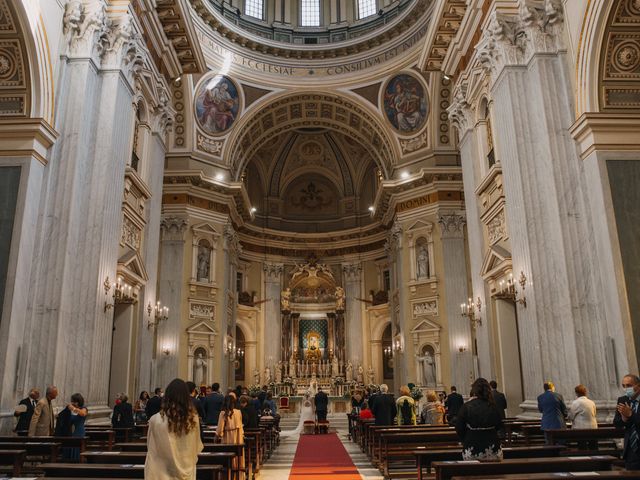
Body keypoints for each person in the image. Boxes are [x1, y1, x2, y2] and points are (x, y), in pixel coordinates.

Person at [145, 378, 203, 480]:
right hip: (187, 472)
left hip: (162, 472)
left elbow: (151, 447)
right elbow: (196, 447)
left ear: (167, 396)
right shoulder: (193, 420)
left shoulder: (155, 420)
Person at [455, 378, 503, 460]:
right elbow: (499, 425)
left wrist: (466, 438)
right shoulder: (493, 406)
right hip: (492, 446)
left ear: (474, 390)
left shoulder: (467, 406)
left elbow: (459, 428)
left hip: (472, 446)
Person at [614, 373, 640, 470]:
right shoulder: (622, 400)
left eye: (629, 385)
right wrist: (624, 419)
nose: (626, 389)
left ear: (638, 386)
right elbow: (616, 423)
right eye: (623, 386)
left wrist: (630, 415)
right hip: (631, 449)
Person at [55, 393, 88, 461]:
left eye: (74, 401)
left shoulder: (84, 408)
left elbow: (83, 414)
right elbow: (62, 417)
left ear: (78, 401)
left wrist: (73, 408)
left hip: (79, 431)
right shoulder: (69, 409)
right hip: (69, 432)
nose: (72, 403)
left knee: (77, 447)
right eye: (72, 401)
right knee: (68, 446)